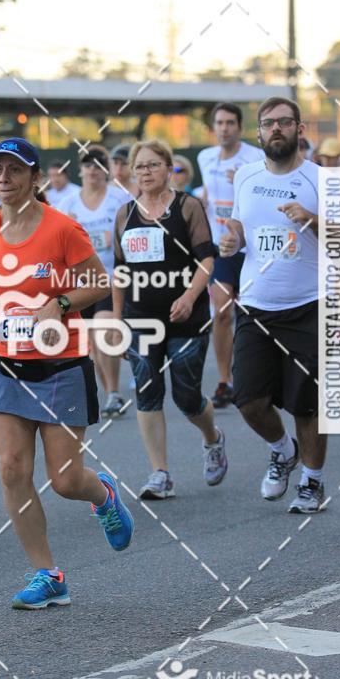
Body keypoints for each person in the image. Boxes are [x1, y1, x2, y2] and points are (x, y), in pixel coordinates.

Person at [0, 137, 134, 609]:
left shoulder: (63, 228)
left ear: (35, 178)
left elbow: (99, 282)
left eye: (14, 170)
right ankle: (47, 573)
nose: (3, 178)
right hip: (7, 364)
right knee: (11, 469)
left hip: (62, 365)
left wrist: (58, 303)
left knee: (64, 480)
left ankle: (102, 495)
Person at [220, 96, 326, 513]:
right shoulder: (244, 176)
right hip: (256, 305)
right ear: (259, 133)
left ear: (300, 130)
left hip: (309, 304)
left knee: (307, 403)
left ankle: (312, 481)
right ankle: (283, 450)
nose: (276, 129)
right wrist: (232, 241)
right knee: (248, 400)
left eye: (285, 122)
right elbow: (239, 229)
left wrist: (312, 219)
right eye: (268, 123)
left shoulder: (322, 180)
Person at [113, 139, 226, 500]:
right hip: (140, 318)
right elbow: (120, 271)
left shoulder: (188, 206)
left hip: (185, 317)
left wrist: (190, 296)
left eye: (153, 165)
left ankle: (212, 438)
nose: (146, 172)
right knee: (147, 392)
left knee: (187, 396)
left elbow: (206, 259)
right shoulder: (124, 213)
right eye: (140, 166)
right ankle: (159, 473)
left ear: (168, 168)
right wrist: (116, 322)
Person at [197, 103, 264, 409]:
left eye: (230, 123)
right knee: (221, 311)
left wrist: (248, 181)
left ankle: (259, 377)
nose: (224, 128)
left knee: (254, 315)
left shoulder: (255, 158)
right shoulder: (204, 157)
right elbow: (207, 195)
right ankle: (225, 381)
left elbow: (266, 194)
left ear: (239, 127)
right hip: (221, 247)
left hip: (253, 247)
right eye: (219, 122)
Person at [59, 147, 131, 418]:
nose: (92, 170)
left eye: (99, 165)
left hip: (110, 278)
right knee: (91, 344)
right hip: (78, 281)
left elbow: (134, 230)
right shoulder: (67, 204)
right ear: (80, 170)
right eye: (87, 165)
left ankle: (113, 392)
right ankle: (109, 392)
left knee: (103, 332)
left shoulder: (120, 198)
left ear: (106, 170)